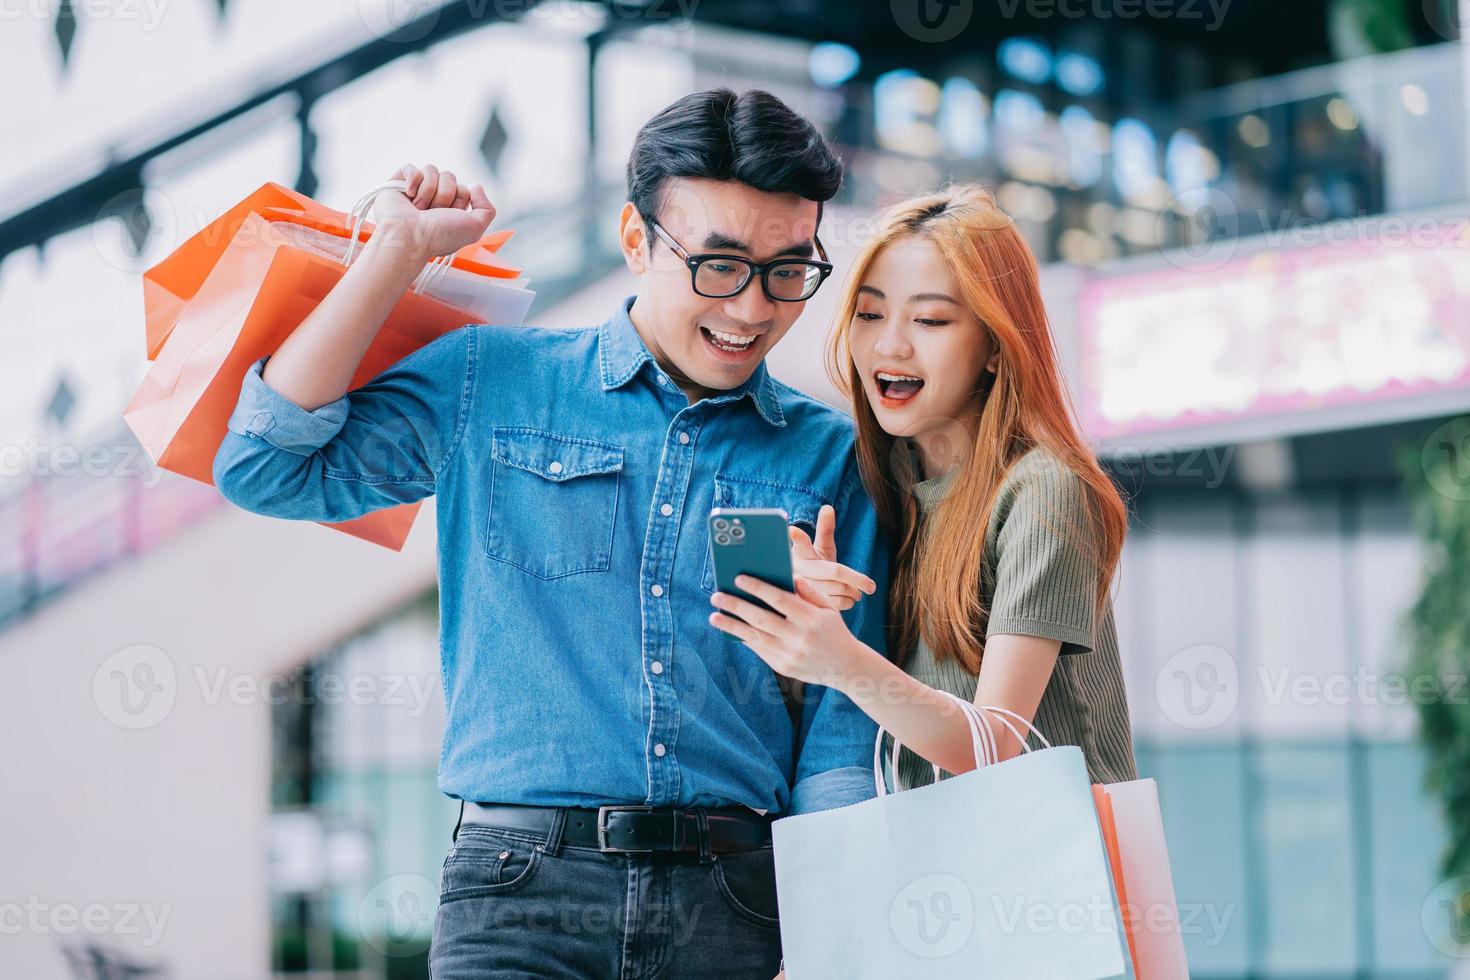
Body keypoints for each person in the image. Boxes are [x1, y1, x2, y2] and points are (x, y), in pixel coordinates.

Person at [212, 89, 888, 978]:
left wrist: (832, 924)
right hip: (518, 898)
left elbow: (842, 731)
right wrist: (394, 255)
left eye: (788, 270)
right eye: (719, 264)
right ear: (637, 239)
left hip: (734, 905)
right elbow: (264, 465)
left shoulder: (830, 453)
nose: (754, 307)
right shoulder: (488, 382)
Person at [708, 184, 1136, 812]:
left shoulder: (1044, 490)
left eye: (931, 320)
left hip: (1053, 879)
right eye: (871, 313)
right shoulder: (887, 486)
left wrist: (844, 659)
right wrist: (810, 622)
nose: (890, 346)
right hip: (944, 872)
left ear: (995, 344)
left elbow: (995, 746)